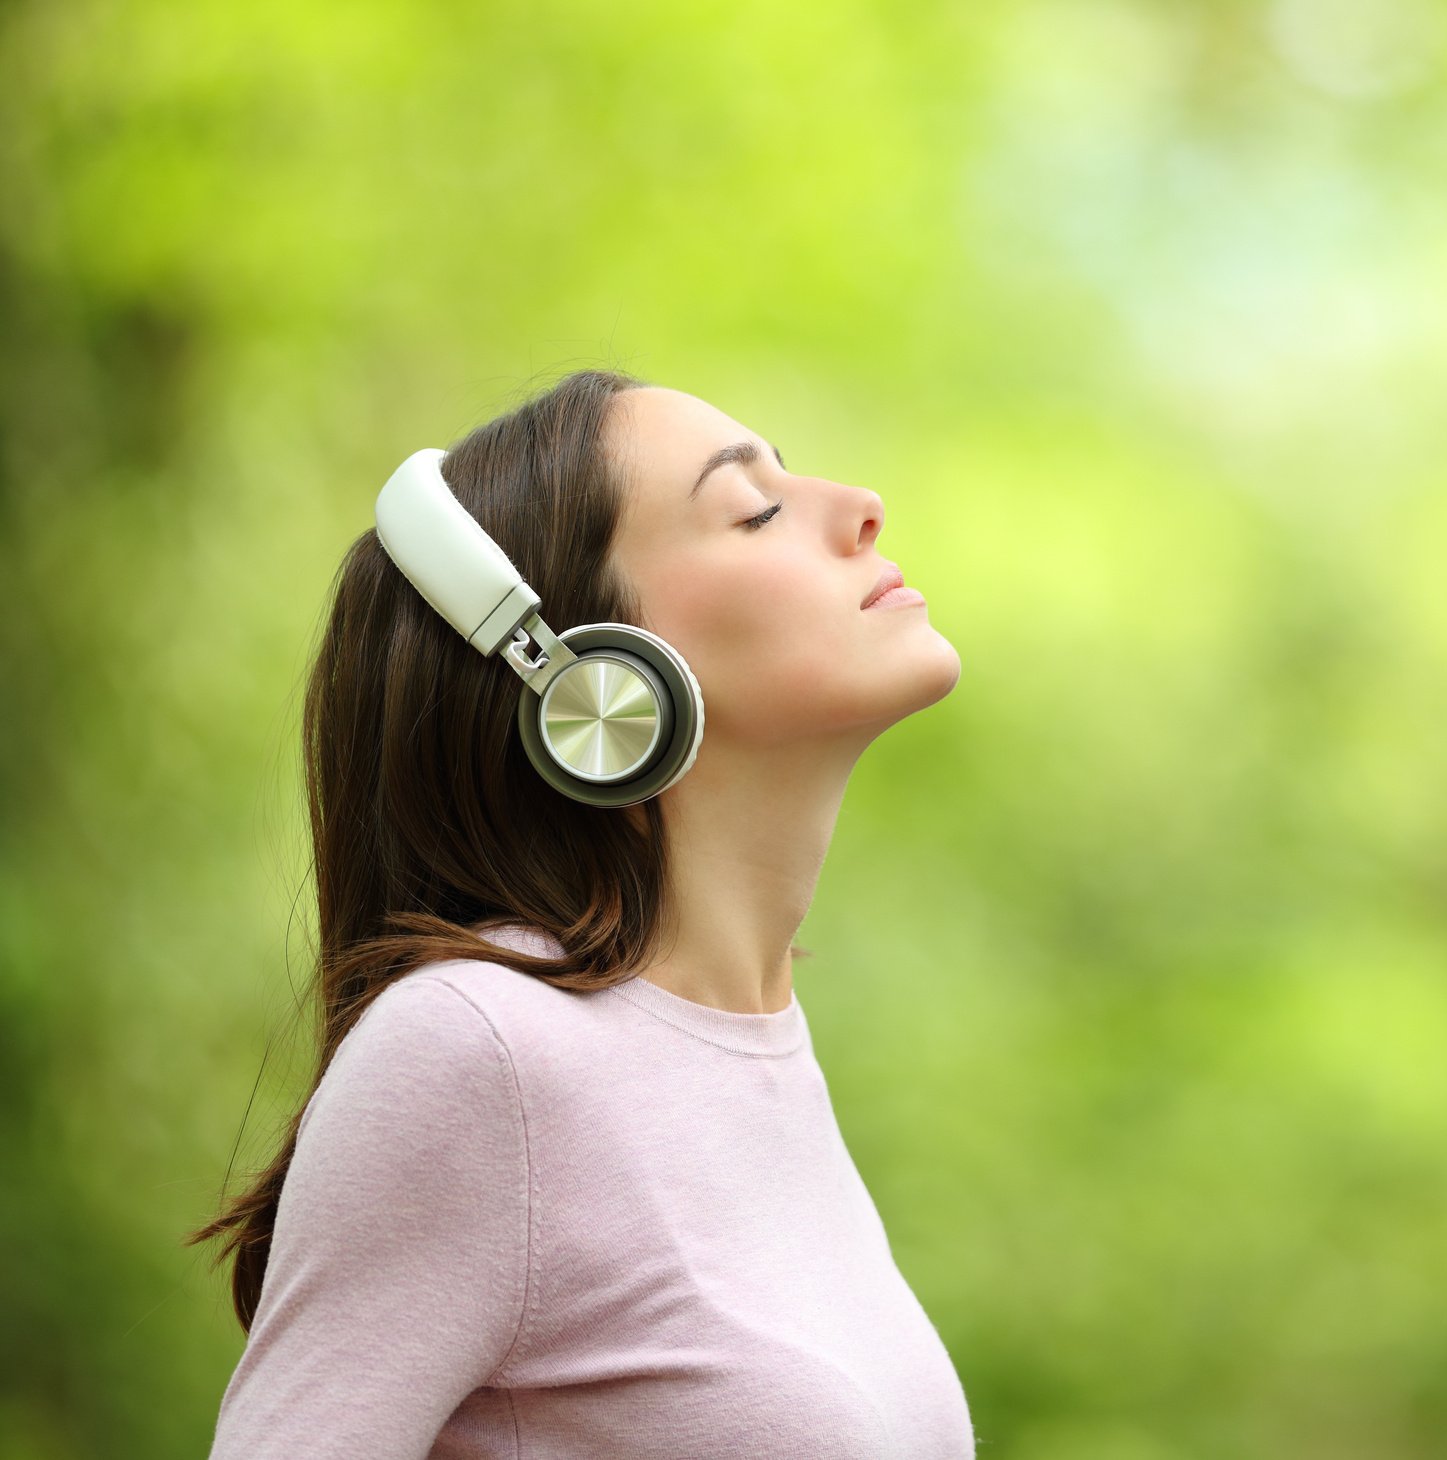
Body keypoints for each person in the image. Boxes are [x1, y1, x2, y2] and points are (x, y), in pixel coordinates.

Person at [186, 367, 974, 1457]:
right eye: (754, 509)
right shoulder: (483, 1048)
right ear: (590, 681)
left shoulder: (752, 1046)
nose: (860, 507)